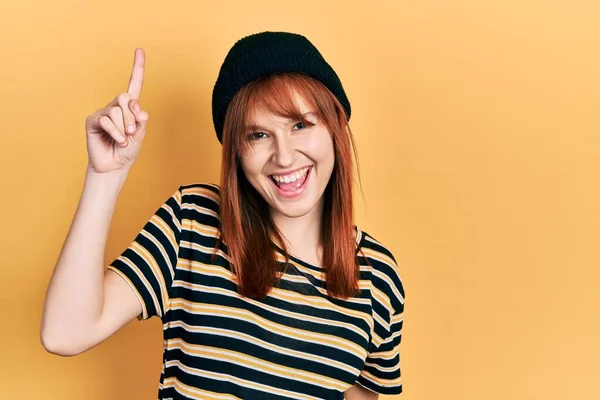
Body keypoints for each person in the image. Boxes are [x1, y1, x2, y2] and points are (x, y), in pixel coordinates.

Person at [41, 31, 405, 400]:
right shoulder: (192, 223)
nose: (283, 156)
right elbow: (65, 332)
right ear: (237, 153)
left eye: (300, 125)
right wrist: (105, 176)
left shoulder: (377, 278)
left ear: (334, 129)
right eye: (259, 135)